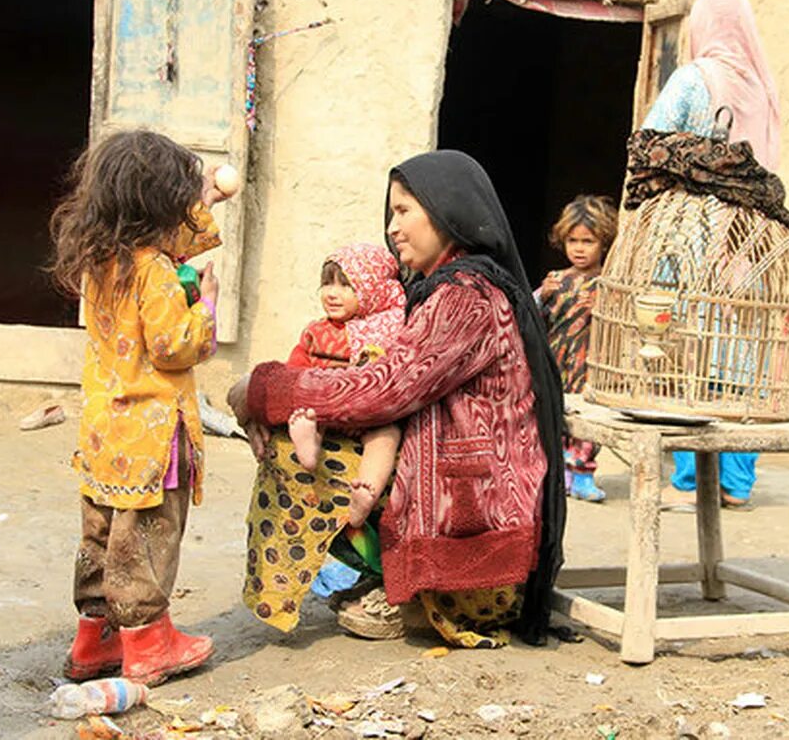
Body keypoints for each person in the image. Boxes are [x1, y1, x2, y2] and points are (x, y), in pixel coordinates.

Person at [228, 150, 565, 648]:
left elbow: (382, 389)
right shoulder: (443, 288)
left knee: (291, 448)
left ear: (447, 210)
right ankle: (397, 581)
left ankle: (408, 592)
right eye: (392, 213)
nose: (393, 228)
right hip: (463, 521)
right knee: (306, 429)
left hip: (478, 555)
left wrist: (263, 390)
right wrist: (286, 402)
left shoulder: (466, 298)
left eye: (405, 210)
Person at [49, 130, 226, 686]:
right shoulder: (154, 270)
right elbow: (174, 347)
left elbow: (184, 241)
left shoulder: (102, 258)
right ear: (160, 205)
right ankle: (149, 643)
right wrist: (208, 310)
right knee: (146, 538)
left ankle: (94, 641)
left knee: (102, 535)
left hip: (106, 434)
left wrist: (210, 200)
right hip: (152, 435)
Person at [643, 0, 782, 511]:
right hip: (751, 239)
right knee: (740, 356)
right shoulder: (764, 90)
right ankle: (737, 482)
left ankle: (689, 481)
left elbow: (652, 142)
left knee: (686, 350)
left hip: (693, 232)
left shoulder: (692, 79)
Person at [285, 244, 406, 528]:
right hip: (324, 405)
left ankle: (366, 490)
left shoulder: (393, 328)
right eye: (326, 283)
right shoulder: (317, 331)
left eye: (346, 285)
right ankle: (309, 444)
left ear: (372, 290)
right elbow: (295, 368)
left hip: (369, 414)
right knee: (308, 411)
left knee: (385, 436)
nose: (331, 293)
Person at [535, 195, 618, 502]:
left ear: (604, 243)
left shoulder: (608, 286)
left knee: (586, 420)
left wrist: (604, 309)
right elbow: (530, 317)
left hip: (589, 365)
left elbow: (624, 326)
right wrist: (543, 297)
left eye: (588, 241)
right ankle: (561, 472)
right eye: (573, 240)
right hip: (556, 363)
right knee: (555, 417)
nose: (579, 248)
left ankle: (583, 473)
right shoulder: (555, 280)